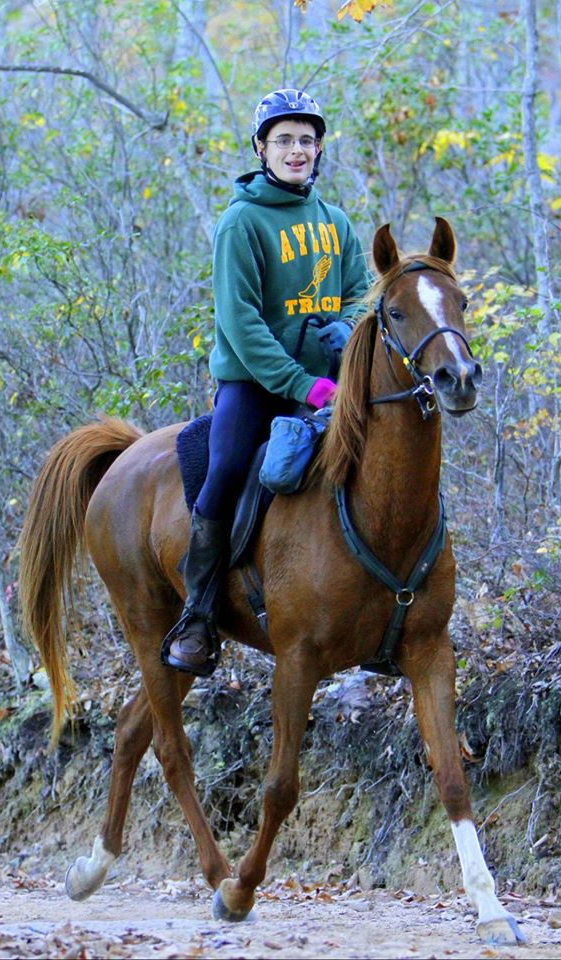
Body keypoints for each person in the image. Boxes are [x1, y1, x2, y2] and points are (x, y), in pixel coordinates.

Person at [162, 88, 369, 675]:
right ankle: (198, 616)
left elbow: (361, 293)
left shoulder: (336, 221)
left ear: (319, 147)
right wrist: (303, 385)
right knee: (225, 471)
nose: (296, 150)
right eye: (284, 140)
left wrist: (346, 328)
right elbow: (242, 323)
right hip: (255, 384)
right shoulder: (240, 223)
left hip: (332, 380)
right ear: (261, 148)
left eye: (306, 140)